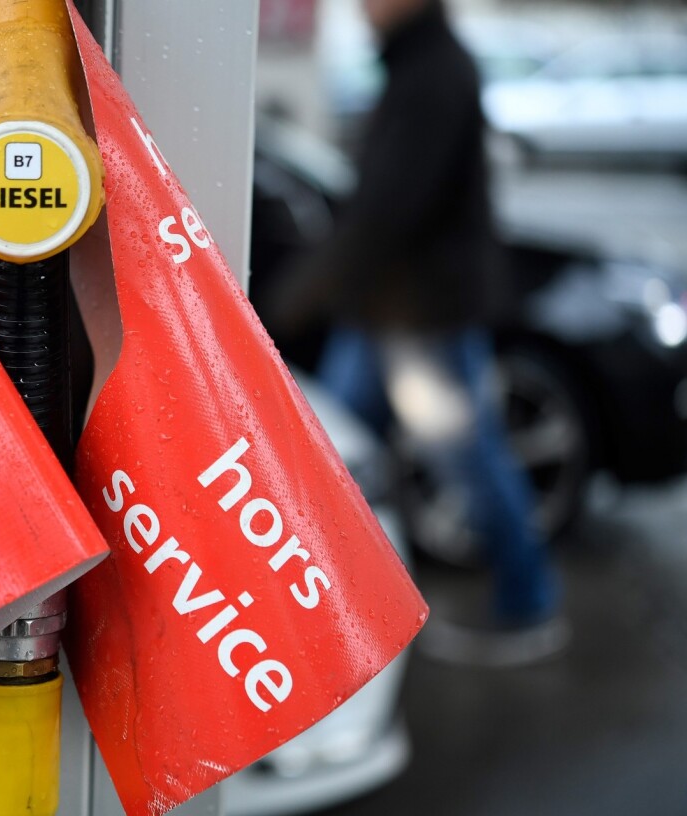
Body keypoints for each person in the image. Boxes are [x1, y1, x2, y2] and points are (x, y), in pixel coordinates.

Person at [268, 0, 570, 666]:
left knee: (468, 459)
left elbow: (385, 209)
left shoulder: (432, 73)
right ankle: (340, 612)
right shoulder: (416, 65)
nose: (361, 6)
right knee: (336, 458)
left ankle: (529, 604)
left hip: (421, 321)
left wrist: (293, 297)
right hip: (389, 312)